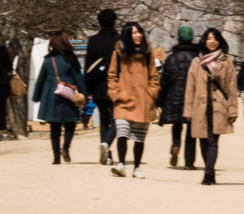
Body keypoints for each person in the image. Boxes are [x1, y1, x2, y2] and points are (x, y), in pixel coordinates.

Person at [184, 27, 240, 185]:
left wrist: (233, 110)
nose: (212, 41)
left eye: (215, 38)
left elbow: (231, 88)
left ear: (219, 41)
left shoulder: (226, 62)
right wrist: (187, 110)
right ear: (204, 41)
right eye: (209, 38)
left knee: (213, 142)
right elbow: (190, 88)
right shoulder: (196, 62)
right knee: (203, 141)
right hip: (200, 107)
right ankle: (211, 170)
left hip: (219, 107)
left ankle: (207, 173)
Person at [106, 21, 160, 178]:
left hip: (143, 100)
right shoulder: (118, 51)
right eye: (134, 33)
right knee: (122, 132)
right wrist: (116, 94)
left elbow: (153, 75)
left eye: (139, 32)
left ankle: (136, 167)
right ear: (127, 35)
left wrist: (152, 92)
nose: (138, 35)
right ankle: (121, 164)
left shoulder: (147, 51)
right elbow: (112, 75)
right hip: (123, 99)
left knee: (139, 137)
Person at [34, 32, 87, 163]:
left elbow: (40, 80)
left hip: (52, 95)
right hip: (68, 94)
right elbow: (78, 79)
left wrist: (36, 96)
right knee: (70, 123)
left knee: (54, 126)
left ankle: (56, 157)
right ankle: (66, 148)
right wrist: (84, 95)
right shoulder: (71, 59)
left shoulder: (48, 59)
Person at [158, 24, 203, 169]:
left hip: (174, 98)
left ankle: (176, 145)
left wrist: (160, 100)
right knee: (191, 130)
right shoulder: (198, 57)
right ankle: (189, 163)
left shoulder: (172, 58)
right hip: (193, 98)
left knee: (177, 125)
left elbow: (164, 81)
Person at [83, 9, 121, 165]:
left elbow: (88, 66)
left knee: (104, 120)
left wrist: (88, 89)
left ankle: (107, 154)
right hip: (116, 85)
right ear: (114, 22)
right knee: (119, 118)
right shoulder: (118, 40)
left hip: (98, 85)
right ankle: (106, 143)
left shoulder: (93, 41)